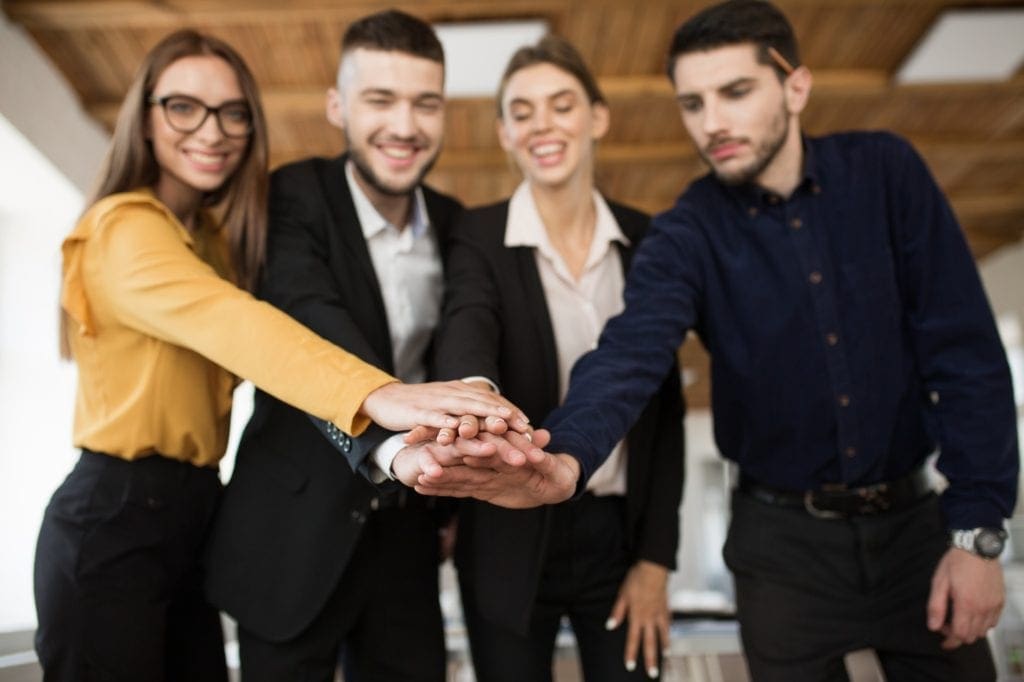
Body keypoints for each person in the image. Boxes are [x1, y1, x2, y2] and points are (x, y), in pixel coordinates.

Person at [416, 1, 1020, 680]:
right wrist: (567, 457)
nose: (713, 123)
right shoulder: (687, 231)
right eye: (693, 103)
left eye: (736, 93)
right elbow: (629, 354)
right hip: (781, 551)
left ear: (795, 86)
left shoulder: (886, 174)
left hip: (920, 534)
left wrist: (978, 531)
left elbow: (965, 355)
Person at [33, 28, 523, 682]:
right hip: (117, 512)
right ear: (143, 118)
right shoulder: (124, 227)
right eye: (183, 106)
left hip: (195, 515)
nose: (212, 131)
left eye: (234, 113)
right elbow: (243, 327)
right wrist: (380, 397)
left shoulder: (216, 237)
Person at [202, 10, 506, 682]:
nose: (404, 126)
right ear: (338, 106)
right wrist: (392, 445)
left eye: (425, 103)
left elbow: (462, 345)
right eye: (380, 100)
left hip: (407, 544)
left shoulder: (458, 225)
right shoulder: (289, 196)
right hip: (288, 538)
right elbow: (307, 318)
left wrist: (454, 486)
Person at [434, 35, 684, 682]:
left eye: (561, 105)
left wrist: (657, 560)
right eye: (522, 112)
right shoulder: (479, 235)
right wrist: (473, 394)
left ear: (597, 118)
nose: (542, 124)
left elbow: (665, 414)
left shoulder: (647, 241)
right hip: (505, 533)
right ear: (504, 134)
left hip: (619, 533)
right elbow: (468, 322)